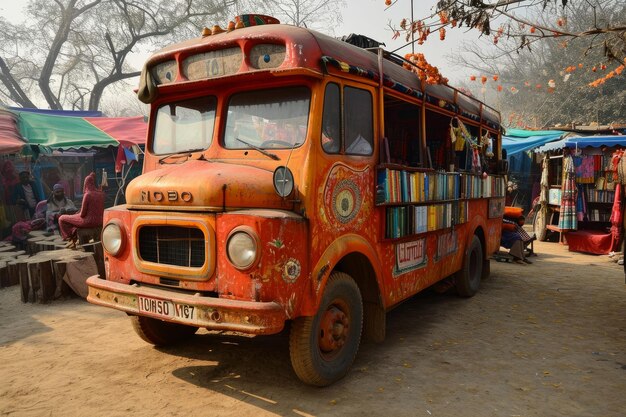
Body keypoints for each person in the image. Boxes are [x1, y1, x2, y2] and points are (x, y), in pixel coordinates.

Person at [58, 173, 104, 247]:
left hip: (88, 221)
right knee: (74, 217)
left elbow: (82, 214)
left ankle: (70, 238)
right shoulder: (101, 194)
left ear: (85, 183)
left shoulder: (87, 195)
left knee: (62, 218)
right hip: (100, 221)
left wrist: (76, 214)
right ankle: (74, 235)